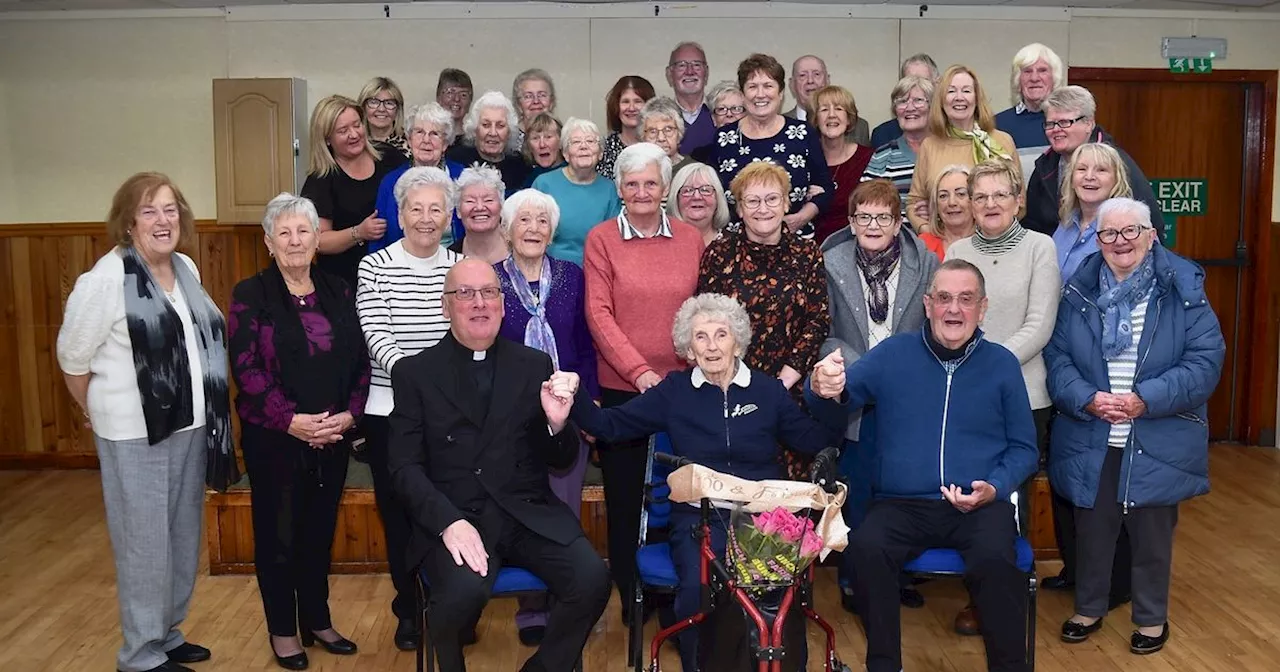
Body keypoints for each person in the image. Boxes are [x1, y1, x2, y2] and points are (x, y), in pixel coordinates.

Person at [561, 292, 833, 671]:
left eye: (721, 335)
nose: (711, 346)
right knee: (698, 590)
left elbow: (816, 440)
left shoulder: (767, 391)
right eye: (700, 337)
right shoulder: (674, 392)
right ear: (688, 348)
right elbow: (611, 426)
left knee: (780, 590)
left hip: (764, 520)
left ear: (737, 341)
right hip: (699, 517)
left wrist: (831, 396)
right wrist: (572, 397)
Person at [807, 258, 1039, 672]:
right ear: (928, 305)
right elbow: (835, 400)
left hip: (980, 504)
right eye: (945, 298)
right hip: (903, 503)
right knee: (866, 549)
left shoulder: (1002, 364)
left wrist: (995, 487)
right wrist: (821, 385)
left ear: (982, 308)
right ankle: (884, 665)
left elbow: (1025, 448)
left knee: (996, 561)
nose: (954, 309)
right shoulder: (894, 354)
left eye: (965, 300)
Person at [386, 259, 612, 672]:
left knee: (592, 579)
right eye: (465, 294)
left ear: (503, 304)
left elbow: (559, 461)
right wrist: (447, 522)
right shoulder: (414, 373)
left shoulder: (533, 364)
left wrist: (557, 424)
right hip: (458, 517)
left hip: (526, 512)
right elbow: (403, 468)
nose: (479, 303)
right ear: (445, 306)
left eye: (489, 292)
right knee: (460, 595)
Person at [56, 172, 232, 672]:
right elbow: (73, 359)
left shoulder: (186, 266)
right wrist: (95, 409)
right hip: (134, 435)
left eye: (171, 209)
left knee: (179, 538)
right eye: (150, 210)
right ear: (128, 221)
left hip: (191, 427)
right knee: (144, 544)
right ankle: (139, 655)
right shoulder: (104, 281)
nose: (163, 220)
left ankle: (167, 633)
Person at [1046, 198, 1225, 655]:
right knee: (1092, 527)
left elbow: (1205, 362)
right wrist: (1088, 398)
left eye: (1131, 232)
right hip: (1093, 428)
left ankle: (1150, 619)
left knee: (1151, 533)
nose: (1120, 242)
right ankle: (1088, 608)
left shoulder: (1182, 288)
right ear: (1098, 239)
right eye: (1109, 233)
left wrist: (1146, 400)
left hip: (1157, 427)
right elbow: (1058, 358)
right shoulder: (1079, 290)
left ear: (1151, 234)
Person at [229, 193, 371, 670]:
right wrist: (291, 420)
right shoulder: (251, 294)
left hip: (331, 433)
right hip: (275, 437)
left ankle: (317, 619)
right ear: (269, 242)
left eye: (303, 231)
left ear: (316, 240)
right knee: (278, 535)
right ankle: (283, 630)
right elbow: (245, 368)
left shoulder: (339, 290)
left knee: (318, 532)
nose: (294, 240)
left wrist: (350, 414)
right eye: (284, 232)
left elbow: (360, 360)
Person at [583, 142, 704, 624]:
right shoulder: (602, 238)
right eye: (631, 184)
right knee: (627, 496)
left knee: (680, 495)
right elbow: (598, 313)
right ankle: (631, 597)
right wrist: (640, 372)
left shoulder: (691, 238)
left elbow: (701, 309)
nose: (641, 192)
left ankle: (676, 598)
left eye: (650, 183)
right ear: (619, 189)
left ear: (665, 187)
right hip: (623, 389)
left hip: (684, 389)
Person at [945, 160, 1061, 633]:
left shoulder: (1040, 247)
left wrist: (988, 367)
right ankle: (978, 596)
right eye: (980, 196)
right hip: (966, 395)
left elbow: (1040, 324)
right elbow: (949, 316)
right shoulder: (957, 248)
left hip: (1025, 394)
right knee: (974, 493)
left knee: (1014, 497)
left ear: (1018, 201)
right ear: (969, 204)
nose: (990, 204)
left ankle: (1011, 593)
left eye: (999, 195)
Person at [818, 179, 938, 614]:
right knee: (860, 489)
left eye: (882, 217)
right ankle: (854, 581)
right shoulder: (830, 262)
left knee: (904, 490)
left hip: (909, 391)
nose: (873, 225)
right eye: (863, 217)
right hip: (853, 387)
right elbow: (824, 330)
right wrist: (863, 369)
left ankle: (897, 574)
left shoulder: (924, 261)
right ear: (850, 223)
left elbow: (933, 325)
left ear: (898, 221)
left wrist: (898, 367)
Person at [356, 167, 462, 652]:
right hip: (389, 412)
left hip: (450, 414)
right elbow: (377, 334)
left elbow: (464, 336)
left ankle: (451, 605)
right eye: (415, 209)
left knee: (448, 510)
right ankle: (409, 607)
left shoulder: (458, 267)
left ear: (449, 216)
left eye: (435, 209)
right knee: (399, 516)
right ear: (399, 215)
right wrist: (419, 384)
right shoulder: (374, 266)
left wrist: (437, 393)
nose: (425, 218)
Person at [494, 188, 601, 646]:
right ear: (507, 229)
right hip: (509, 413)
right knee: (525, 509)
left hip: (567, 407)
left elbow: (586, 340)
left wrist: (590, 403)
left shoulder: (574, 277)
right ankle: (531, 606)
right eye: (524, 220)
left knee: (563, 505)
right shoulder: (491, 280)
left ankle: (568, 598)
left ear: (552, 231)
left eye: (542, 221)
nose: (533, 228)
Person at [697, 160, 828, 419]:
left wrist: (781, 385)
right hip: (729, 389)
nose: (763, 209)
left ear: (786, 204)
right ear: (740, 209)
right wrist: (732, 381)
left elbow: (818, 321)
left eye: (772, 199)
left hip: (791, 392)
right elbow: (706, 322)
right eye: (753, 201)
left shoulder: (807, 253)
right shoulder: (719, 253)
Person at [707, 53, 835, 240]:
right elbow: (713, 193)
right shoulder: (724, 138)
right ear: (742, 95)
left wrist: (801, 217)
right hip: (738, 246)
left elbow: (825, 188)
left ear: (781, 93)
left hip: (794, 241)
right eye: (752, 87)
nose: (760, 94)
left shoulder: (802, 133)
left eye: (768, 86)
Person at [1024, 85, 1162, 239]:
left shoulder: (1118, 164)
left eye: (1064, 122)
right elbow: (1031, 225)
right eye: (1050, 124)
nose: (1056, 130)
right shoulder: (1044, 166)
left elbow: (1152, 226)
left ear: (1089, 123)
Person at [302, 94, 409, 287]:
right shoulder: (320, 180)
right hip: (345, 283)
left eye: (357, 125)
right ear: (327, 139)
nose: (354, 134)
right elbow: (318, 241)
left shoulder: (389, 157)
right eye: (343, 130)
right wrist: (359, 232)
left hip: (395, 276)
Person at [905, 65, 1019, 234]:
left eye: (966, 91)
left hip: (993, 244)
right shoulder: (929, 145)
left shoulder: (1002, 141)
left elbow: (1020, 201)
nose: (959, 98)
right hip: (943, 246)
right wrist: (928, 231)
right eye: (951, 92)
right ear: (942, 100)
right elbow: (914, 203)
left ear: (977, 98)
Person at [371, 102, 466, 253]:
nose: (426, 140)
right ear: (409, 139)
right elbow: (378, 239)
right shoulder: (390, 182)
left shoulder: (463, 178)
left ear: (445, 143)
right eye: (419, 132)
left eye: (435, 134)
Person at [531, 117, 621, 266]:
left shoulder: (610, 188)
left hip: (596, 268)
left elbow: (613, 240)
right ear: (565, 153)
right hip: (550, 269)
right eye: (576, 142)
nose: (583, 146)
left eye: (591, 141)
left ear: (600, 153)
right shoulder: (544, 184)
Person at [1055, 142, 1135, 284]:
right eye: (1081, 169)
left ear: (1117, 180)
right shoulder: (1066, 224)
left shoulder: (1131, 227)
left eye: (1101, 170)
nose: (1090, 176)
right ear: (1072, 179)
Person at [861, 74, 934, 223]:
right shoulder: (882, 156)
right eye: (902, 102)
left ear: (932, 107)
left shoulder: (949, 149)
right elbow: (864, 208)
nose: (909, 108)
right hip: (898, 241)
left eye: (918, 100)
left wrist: (938, 210)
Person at [811, 85, 874, 244]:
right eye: (824, 110)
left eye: (839, 109)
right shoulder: (804, 159)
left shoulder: (868, 158)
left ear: (849, 118)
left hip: (855, 247)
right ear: (816, 119)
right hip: (810, 249)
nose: (831, 115)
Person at [994, 44, 1065, 180]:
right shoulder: (997, 124)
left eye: (1042, 70)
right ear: (1018, 79)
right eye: (1027, 71)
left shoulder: (1069, 123)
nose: (1034, 78)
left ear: (1054, 77)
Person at [445, 91, 530, 195]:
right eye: (486, 125)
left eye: (500, 125)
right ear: (475, 129)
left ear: (509, 132)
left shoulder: (521, 166)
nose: (493, 133)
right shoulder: (456, 160)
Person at [785, 54, 870, 145]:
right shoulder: (778, 125)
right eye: (802, 75)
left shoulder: (859, 127)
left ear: (828, 80)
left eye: (816, 74)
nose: (810, 80)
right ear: (792, 84)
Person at [869, 54, 939, 148]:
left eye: (923, 81)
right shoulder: (883, 135)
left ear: (936, 85)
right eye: (909, 81)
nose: (915, 86)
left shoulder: (950, 130)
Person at [597, 75, 657, 179]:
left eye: (638, 101)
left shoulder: (658, 147)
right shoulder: (603, 150)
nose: (631, 108)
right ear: (616, 106)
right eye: (625, 102)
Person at [448, 164, 509, 265]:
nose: (479, 207)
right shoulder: (449, 260)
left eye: (488, 200)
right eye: (470, 201)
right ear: (458, 210)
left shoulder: (520, 250)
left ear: (501, 207)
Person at [667, 41, 717, 154]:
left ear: (707, 73)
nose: (689, 72)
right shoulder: (660, 118)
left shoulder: (722, 113)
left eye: (697, 65)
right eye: (682, 65)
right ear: (669, 74)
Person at [919, 164, 976, 258]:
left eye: (961, 194)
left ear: (974, 200)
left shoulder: (990, 242)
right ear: (936, 205)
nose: (952, 202)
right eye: (943, 196)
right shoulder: (922, 245)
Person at [667, 162, 731, 245]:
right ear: (676, 198)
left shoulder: (735, 245)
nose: (697, 197)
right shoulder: (663, 245)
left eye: (705, 190)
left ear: (717, 198)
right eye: (688, 190)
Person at [640, 96, 697, 176]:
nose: (661, 138)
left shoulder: (693, 171)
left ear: (679, 133)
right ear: (643, 137)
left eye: (668, 130)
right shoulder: (636, 169)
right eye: (653, 131)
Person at [358, 76, 409, 159]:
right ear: (363, 107)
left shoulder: (411, 142)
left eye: (389, 103)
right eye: (374, 102)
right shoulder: (355, 142)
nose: (381, 109)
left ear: (397, 109)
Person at [512, 68, 557, 145]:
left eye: (542, 95)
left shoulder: (562, 138)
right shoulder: (509, 140)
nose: (536, 101)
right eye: (528, 96)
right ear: (518, 104)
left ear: (551, 101)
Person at [521, 112, 566, 187]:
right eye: (535, 138)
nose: (542, 145)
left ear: (561, 141)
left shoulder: (574, 174)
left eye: (548, 137)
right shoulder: (530, 180)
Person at [436, 68, 474, 146]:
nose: (456, 99)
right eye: (450, 92)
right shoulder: (428, 140)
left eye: (463, 94)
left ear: (470, 102)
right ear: (438, 98)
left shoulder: (475, 143)